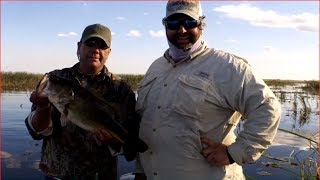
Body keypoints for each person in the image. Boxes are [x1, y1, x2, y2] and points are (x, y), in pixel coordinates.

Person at [134, 0, 281, 179]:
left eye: (189, 23)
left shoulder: (227, 66)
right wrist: (140, 171)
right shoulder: (156, 67)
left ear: (201, 25)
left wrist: (234, 152)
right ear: (165, 26)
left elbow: (267, 107)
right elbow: (146, 125)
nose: (182, 30)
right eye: (174, 23)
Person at [25, 23, 141, 179]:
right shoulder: (56, 78)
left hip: (101, 176)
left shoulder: (121, 88)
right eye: (90, 43)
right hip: (56, 175)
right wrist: (42, 108)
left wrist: (114, 141)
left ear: (108, 52)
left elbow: (129, 135)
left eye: (102, 45)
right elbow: (37, 132)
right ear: (79, 46)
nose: (95, 49)